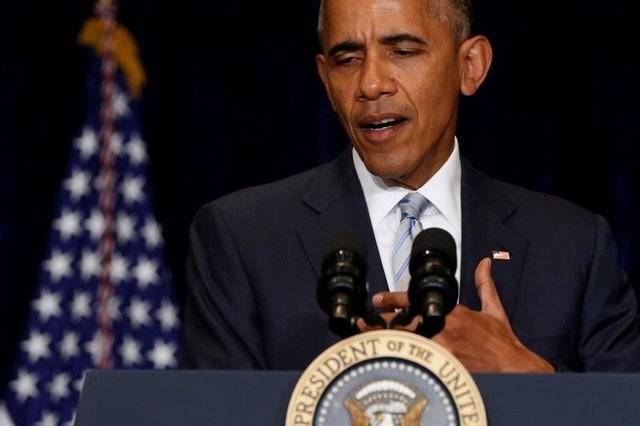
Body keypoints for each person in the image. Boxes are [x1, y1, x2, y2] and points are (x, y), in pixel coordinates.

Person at [178, 0, 640, 373]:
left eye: (403, 51)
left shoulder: (574, 246)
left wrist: (532, 381)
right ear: (324, 79)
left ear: (470, 66)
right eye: (347, 58)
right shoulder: (241, 238)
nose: (371, 83)